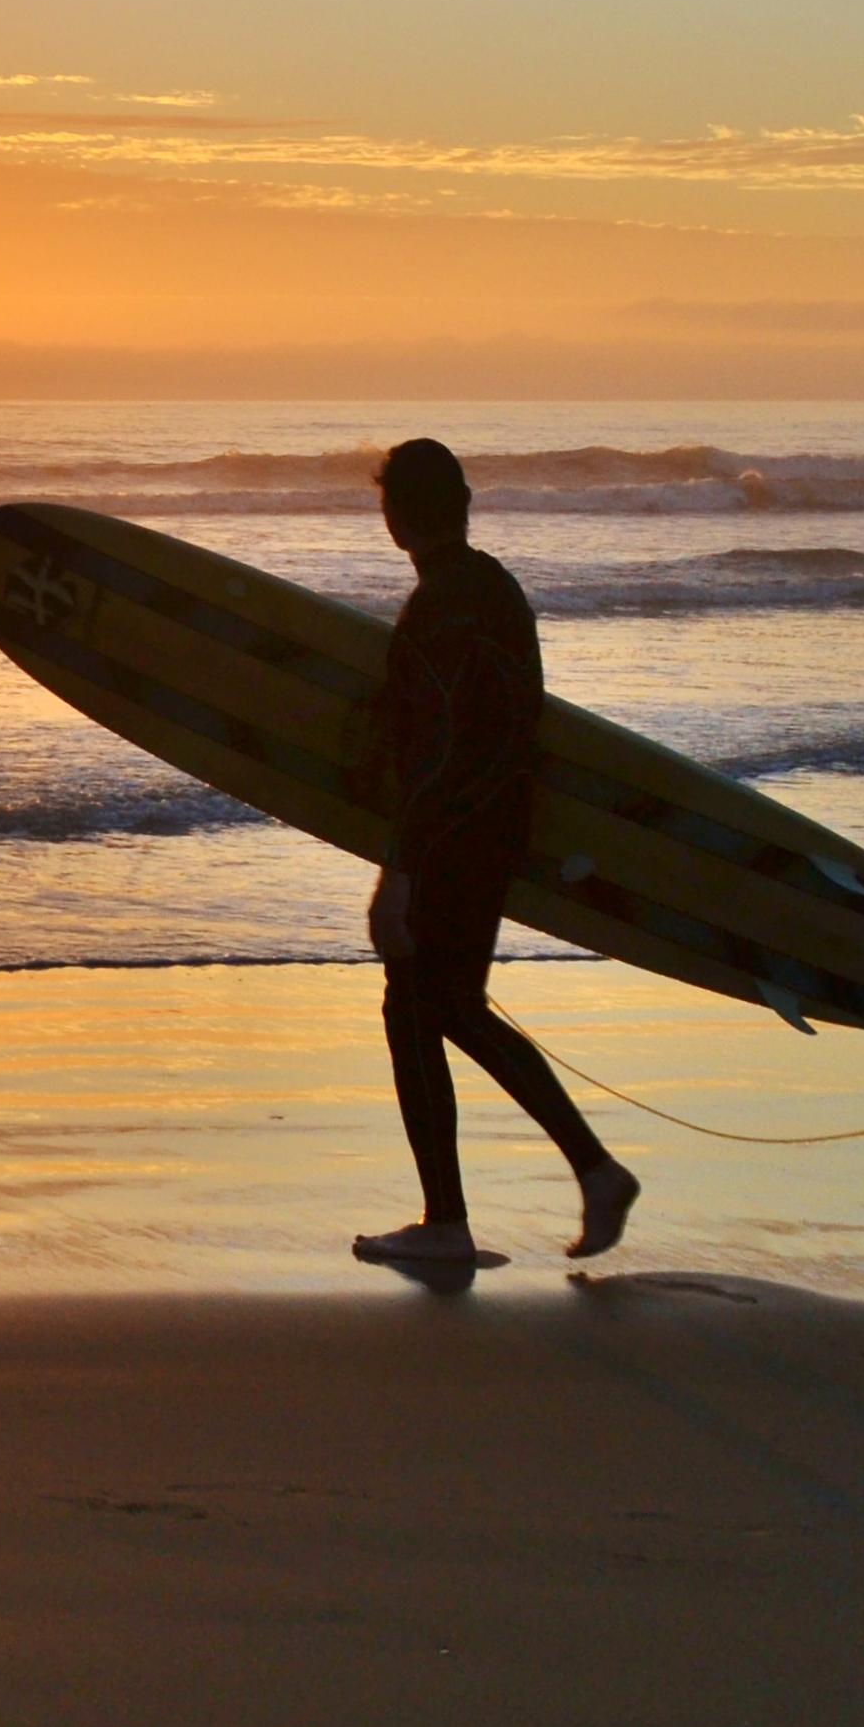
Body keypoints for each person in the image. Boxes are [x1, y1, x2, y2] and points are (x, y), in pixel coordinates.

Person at [346, 438, 639, 1269]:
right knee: (442, 1006)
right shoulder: (493, 588)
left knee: (425, 1008)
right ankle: (584, 1173)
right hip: (497, 828)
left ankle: (463, 1218)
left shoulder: (442, 606)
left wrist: (398, 873)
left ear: (397, 514)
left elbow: (437, 752)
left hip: (453, 840)